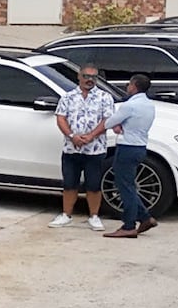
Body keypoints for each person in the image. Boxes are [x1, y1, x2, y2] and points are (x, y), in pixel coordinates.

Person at [52, 62, 115, 231]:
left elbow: (107, 120)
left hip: (95, 149)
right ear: (79, 77)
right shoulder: (68, 97)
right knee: (69, 183)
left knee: (93, 184)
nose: (89, 80)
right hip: (71, 148)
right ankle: (66, 215)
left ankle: (94, 216)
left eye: (93, 77)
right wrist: (72, 136)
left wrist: (91, 136)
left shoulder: (105, 97)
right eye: (86, 76)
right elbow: (61, 118)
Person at [100, 73, 158, 238]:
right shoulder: (149, 105)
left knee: (125, 187)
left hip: (127, 147)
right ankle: (145, 217)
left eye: (129, 84)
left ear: (134, 86)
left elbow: (109, 122)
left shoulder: (129, 105)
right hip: (140, 146)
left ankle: (129, 225)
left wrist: (117, 124)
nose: (127, 87)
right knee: (129, 185)